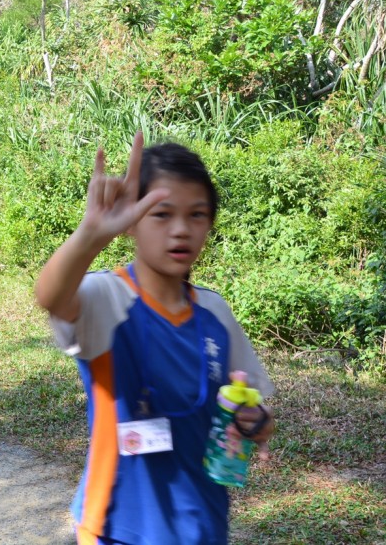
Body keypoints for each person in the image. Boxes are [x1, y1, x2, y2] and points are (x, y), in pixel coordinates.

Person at [34, 135, 275, 545]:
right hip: (116, 529)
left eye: (197, 215)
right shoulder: (105, 298)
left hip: (203, 526)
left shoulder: (216, 315)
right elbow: (51, 296)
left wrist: (256, 422)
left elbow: (259, 416)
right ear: (131, 221)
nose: (181, 230)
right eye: (161, 214)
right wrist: (90, 235)